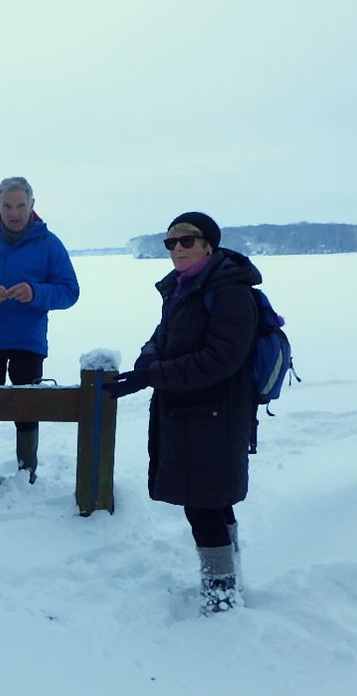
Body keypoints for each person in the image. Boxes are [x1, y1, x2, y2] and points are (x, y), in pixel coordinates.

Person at [103, 212, 260, 615]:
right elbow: (163, 339)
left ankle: (221, 596)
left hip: (214, 416)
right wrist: (146, 364)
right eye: (170, 243)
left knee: (205, 506)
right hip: (188, 414)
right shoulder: (185, 288)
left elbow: (220, 359)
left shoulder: (229, 291)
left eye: (186, 241)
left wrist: (154, 373)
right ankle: (230, 582)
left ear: (209, 244)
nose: (177, 249)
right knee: (212, 502)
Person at [0, 177, 79, 503]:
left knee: (27, 409)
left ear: (32, 205)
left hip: (28, 342)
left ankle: (27, 475)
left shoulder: (49, 244)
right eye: (7, 205)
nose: (14, 212)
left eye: (20, 205)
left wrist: (36, 293)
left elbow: (69, 291)